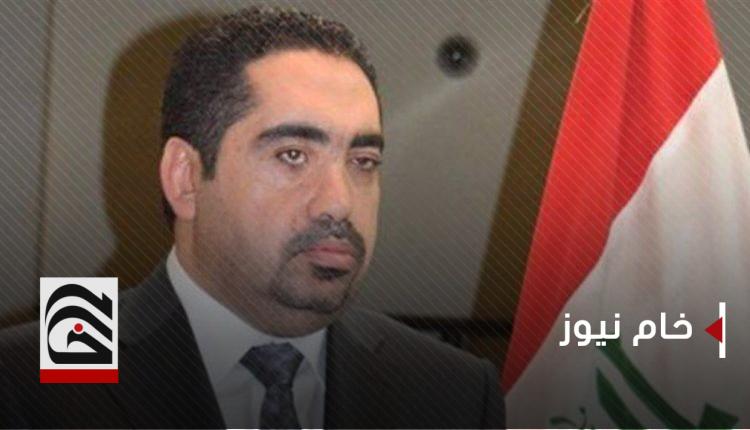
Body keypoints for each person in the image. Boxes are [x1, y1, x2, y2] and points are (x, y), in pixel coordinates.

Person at [0, 6, 504, 429]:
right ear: (185, 178)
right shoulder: (36, 368)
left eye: (363, 161)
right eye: (292, 155)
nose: (340, 203)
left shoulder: (453, 391)